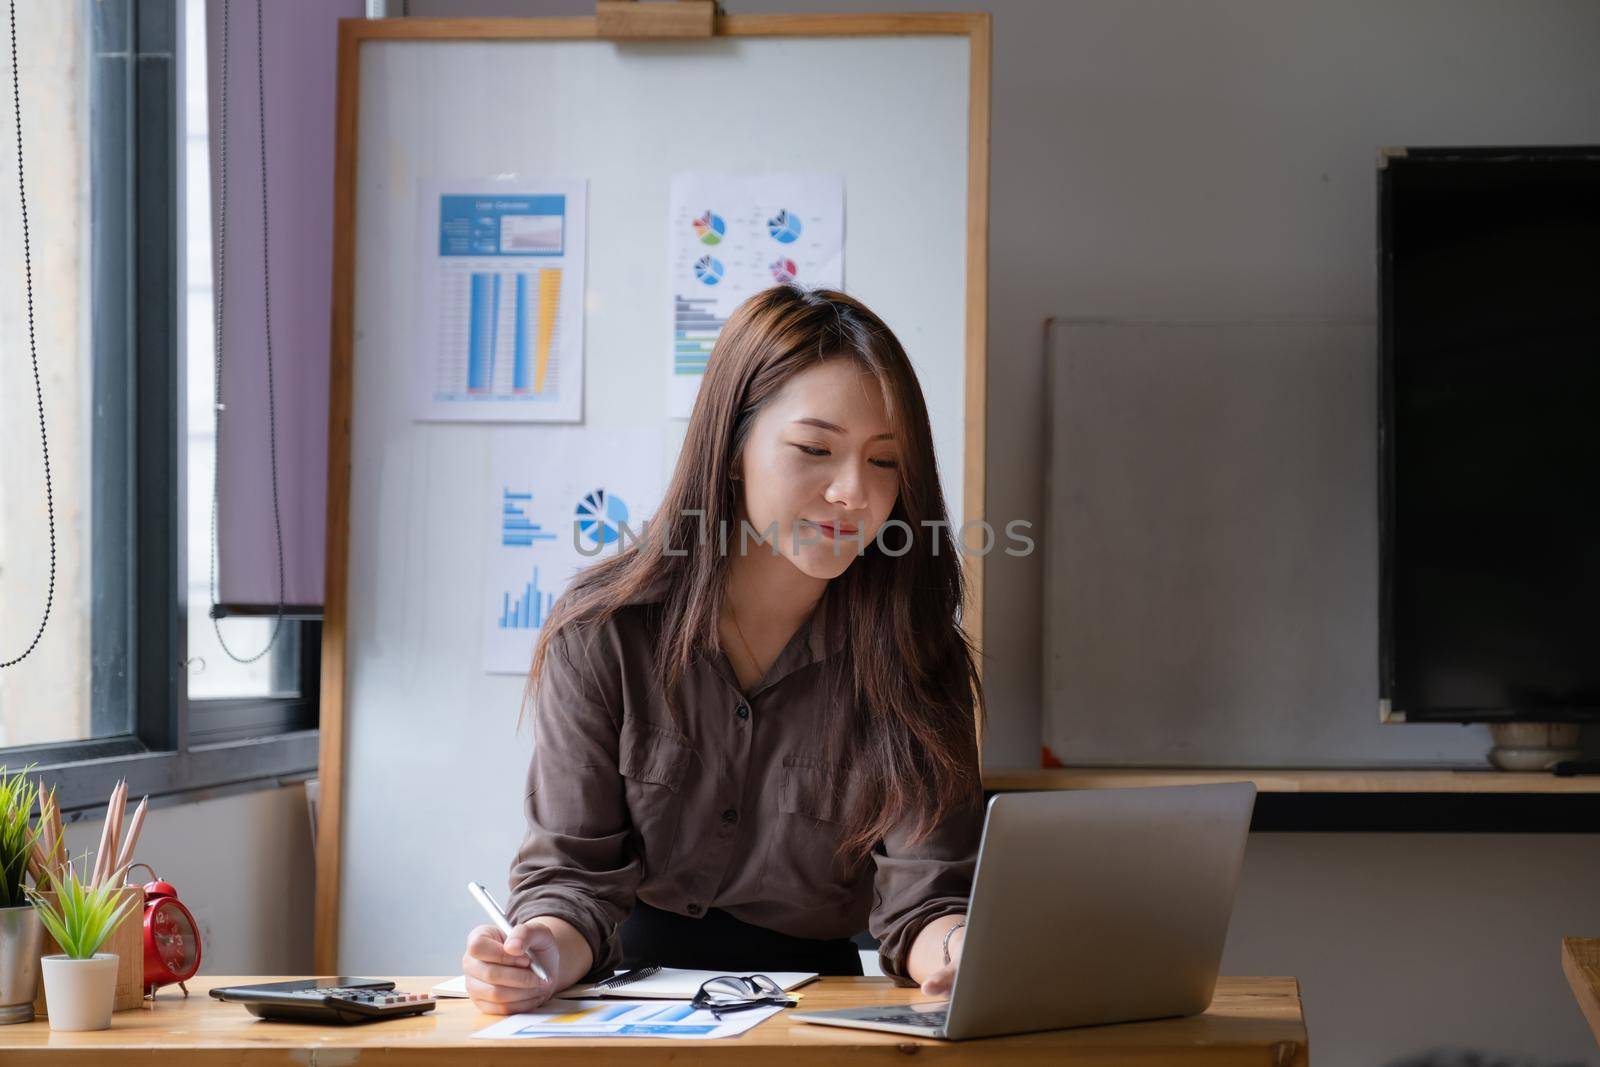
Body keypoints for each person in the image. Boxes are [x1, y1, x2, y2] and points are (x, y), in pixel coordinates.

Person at [461, 284, 985, 1015]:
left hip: (819, 1012)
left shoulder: (918, 655)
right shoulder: (605, 631)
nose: (852, 491)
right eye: (815, 449)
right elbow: (572, 877)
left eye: (885, 461)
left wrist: (963, 955)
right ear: (733, 448)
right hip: (625, 1004)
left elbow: (926, 897)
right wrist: (537, 953)